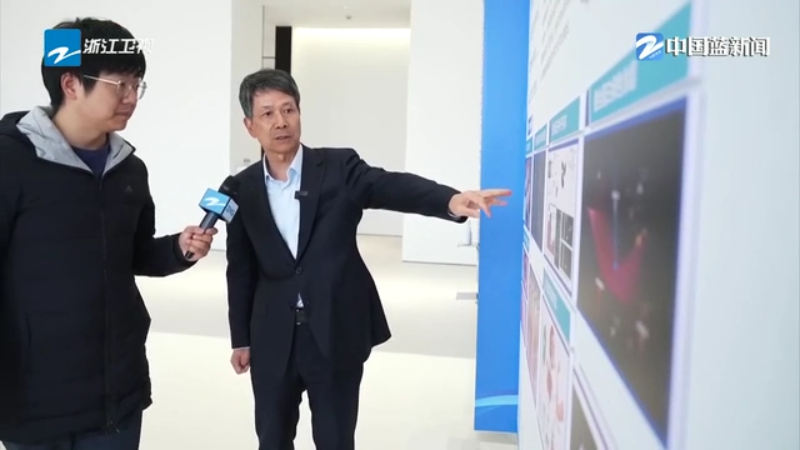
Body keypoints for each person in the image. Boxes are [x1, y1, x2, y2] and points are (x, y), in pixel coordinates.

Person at [226, 68, 511, 450]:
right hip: (273, 337)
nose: (281, 122)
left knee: (336, 440)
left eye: (288, 109)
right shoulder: (240, 188)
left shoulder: (339, 168)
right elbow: (240, 270)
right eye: (267, 113)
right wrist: (241, 338)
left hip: (334, 332)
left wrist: (449, 199)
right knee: (272, 439)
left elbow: (391, 186)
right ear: (250, 125)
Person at [0, 18, 216, 449]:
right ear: (71, 84)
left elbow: (134, 254)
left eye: (137, 84)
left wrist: (178, 249)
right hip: (32, 398)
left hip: (116, 394)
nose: (132, 97)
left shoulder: (129, 170)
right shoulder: (10, 160)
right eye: (119, 84)